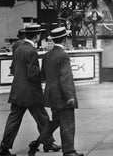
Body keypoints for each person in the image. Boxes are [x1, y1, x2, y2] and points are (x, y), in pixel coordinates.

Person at [0, 25, 60, 156]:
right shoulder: (31, 51)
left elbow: (13, 69)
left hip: (17, 92)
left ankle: (4, 148)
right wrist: (45, 74)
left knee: (14, 120)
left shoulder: (19, 49)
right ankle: (48, 143)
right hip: (31, 93)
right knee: (42, 118)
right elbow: (33, 75)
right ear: (37, 35)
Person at [28, 27, 83, 156]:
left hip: (51, 95)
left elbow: (43, 76)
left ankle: (37, 142)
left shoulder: (47, 55)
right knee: (68, 123)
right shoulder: (63, 56)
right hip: (63, 95)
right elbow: (65, 78)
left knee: (56, 121)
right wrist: (70, 96)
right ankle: (69, 151)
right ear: (65, 39)